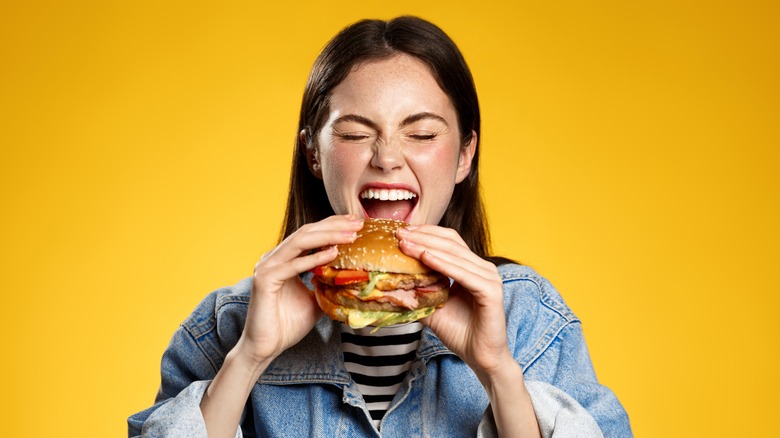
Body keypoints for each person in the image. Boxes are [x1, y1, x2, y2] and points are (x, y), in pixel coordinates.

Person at [128, 16, 631, 437]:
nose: (387, 158)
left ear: (464, 156)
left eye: (422, 132)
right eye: (354, 133)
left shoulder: (529, 320)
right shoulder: (227, 327)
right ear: (313, 153)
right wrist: (249, 358)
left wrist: (498, 371)